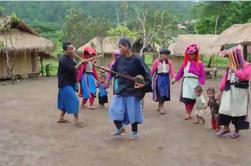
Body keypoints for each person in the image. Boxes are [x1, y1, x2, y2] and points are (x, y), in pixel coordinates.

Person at [108, 37, 152, 140]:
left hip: (133, 90)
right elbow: (113, 71)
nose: (119, 49)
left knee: (133, 112)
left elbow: (147, 73)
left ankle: (134, 132)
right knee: (113, 109)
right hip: (121, 88)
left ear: (127, 46)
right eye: (118, 47)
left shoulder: (137, 59)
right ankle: (119, 128)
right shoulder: (119, 59)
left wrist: (143, 84)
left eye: (121, 47)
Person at [217, 46, 251, 138]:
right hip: (229, 90)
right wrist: (221, 90)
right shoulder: (230, 66)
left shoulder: (247, 65)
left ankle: (237, 130)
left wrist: (235, 70)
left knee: (238, 111)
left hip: (240, 92)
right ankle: (226, 127)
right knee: (225, 108)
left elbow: (245, 76)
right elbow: (226, 78)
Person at [57, 42, 90, 127]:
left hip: (71, 82)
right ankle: (76, 119)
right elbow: (73, 69)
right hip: (64, 83)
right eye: (70, 49)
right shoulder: (63, 59)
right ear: (65, 50)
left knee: (65, 101)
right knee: (74, 100)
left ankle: (61, 118)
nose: (73, 50)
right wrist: (81, 63)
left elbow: (77, 67)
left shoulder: (71, 59)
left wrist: (85, 62)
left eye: (73, 48)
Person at [172, 43, 205, 120]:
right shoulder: (185, 63)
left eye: (193, 54)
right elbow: (180, 72)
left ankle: (189, 112)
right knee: (186, 98)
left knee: (193, 98)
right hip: (186, 82)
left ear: (196, 54)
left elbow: (202, 75)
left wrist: (201, 84)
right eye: (190, 54)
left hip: (195, 82)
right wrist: (175, 79)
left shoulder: (200, 64)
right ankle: (188, 113)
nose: (191, 55)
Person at [151, 48, 175, 115]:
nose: (165, 56)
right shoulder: (156, 62)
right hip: (159, 79)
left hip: (166, 79)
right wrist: (149, 78)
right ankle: (161, 107)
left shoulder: (170, 62)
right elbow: (152, 71)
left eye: (167, 55)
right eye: (164, 54)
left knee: (165, 93)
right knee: (160, 92)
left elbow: (172, 71)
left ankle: (160, 105)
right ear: (161, 55)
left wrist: (173, 78)